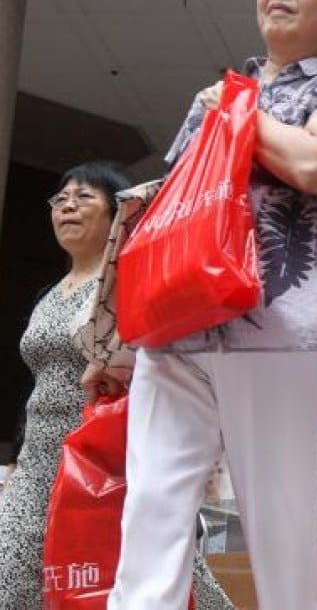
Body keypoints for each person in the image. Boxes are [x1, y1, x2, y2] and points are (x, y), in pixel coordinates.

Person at [107, 0, 317, 609]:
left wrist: (234, 112)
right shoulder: (219, 94)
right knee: (149, 513)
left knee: (281, 528)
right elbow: (174, 206)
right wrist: (118, 329)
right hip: (176, 325)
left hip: (283, 329)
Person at [0, 162, 232, 609]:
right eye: (60, 199)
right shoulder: (48, 295)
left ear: (115, 214)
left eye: (84, 197)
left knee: (150, 570)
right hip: (38, 464)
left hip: (104, 457)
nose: (68, 205)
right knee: (10, 579)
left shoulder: (126, 284)